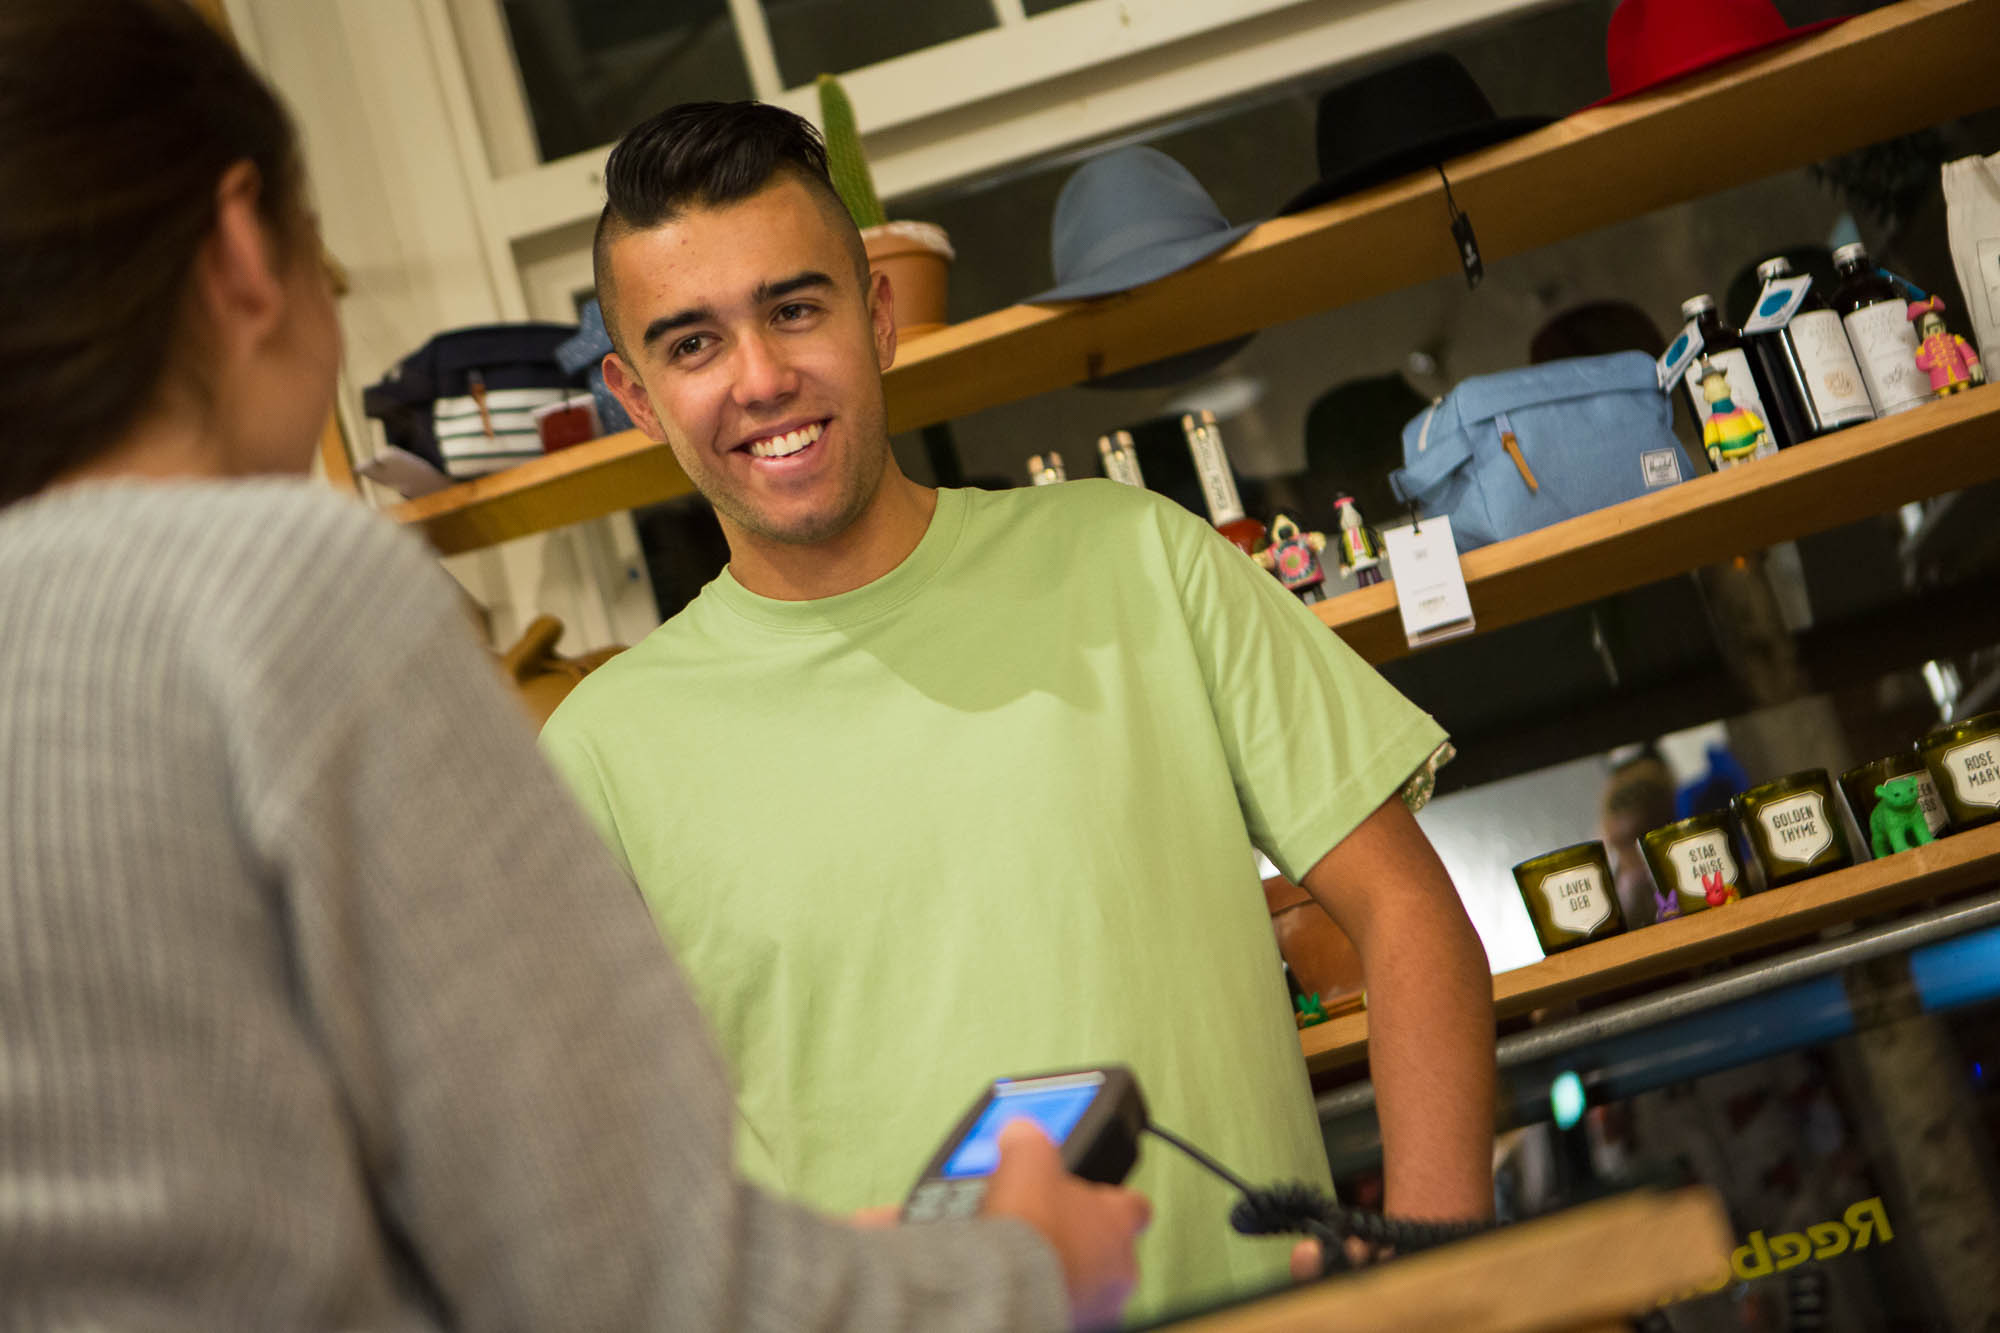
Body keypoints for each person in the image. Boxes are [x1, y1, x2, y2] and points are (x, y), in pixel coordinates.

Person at [0, 3, 1150, 1328]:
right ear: (244, 247)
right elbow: (630, 1283)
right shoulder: (280, 598)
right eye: (330, 257)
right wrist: (1023, 1263)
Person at [544, 100, 1498, 1321]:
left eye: (794, 308)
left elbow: (1409, 917)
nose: (761, 377)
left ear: (875, 315)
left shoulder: (1139, 560)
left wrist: (1432, 1284)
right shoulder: (598, 758)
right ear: (635, 396)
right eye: (690, 344)